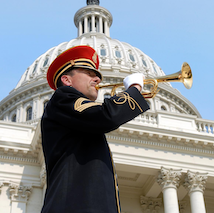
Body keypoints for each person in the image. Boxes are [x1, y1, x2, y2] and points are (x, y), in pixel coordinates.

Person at [41, 45, 149, 213]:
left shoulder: (80, 119)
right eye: (89, 74)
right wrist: (135, 89)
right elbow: (106, 116)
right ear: (67, 80)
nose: (97, 79)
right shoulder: (63, 98)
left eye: (97, 75)